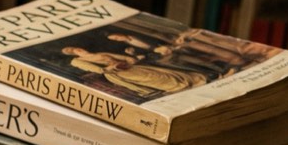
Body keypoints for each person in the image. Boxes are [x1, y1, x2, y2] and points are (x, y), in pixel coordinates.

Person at [61, 46, 206, 97]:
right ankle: (182, 87)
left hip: (129, 67)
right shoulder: (77, 61)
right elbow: (97, 69)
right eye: (74, 51)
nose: (79, 50)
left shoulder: (98, 53)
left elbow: (121, 57)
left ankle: (192, 82)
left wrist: (129, 60)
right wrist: (108, 68)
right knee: (154, 79)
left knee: (161, 74)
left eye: (77, 48)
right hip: (118, 73)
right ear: (73, 54)